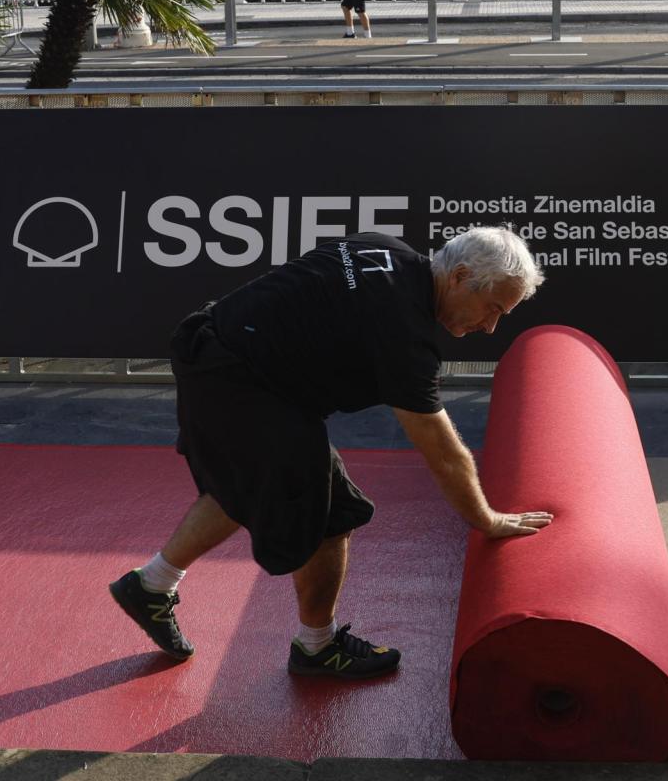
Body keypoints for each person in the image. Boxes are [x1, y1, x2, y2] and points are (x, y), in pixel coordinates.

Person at [110, 227, 552, 679]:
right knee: (331, 512)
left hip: (217, 347)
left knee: (253, 482)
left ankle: (151, 585)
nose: (491, 326)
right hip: (241, 381)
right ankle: (317, 648)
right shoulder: (403, 335)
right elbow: (442, 453)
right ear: (458, 277)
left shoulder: (384, 246)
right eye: (493, 308)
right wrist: (488, 520)